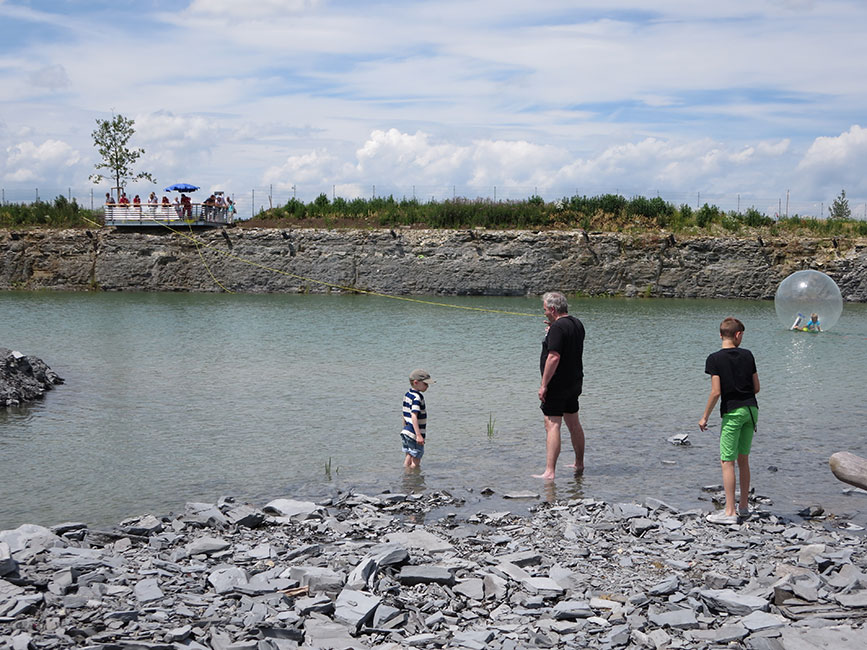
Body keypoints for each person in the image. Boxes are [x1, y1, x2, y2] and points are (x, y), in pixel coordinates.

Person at [698, 317, 760, 525]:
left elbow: (716, 392)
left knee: (727, 461)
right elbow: (756, 388)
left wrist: (705, 416)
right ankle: (743, 507)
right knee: (743, 459)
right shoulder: (748, 355)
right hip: (751, 411)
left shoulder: (714, 359)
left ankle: (729, 512)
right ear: (738, 335)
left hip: (732, 412)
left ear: (720, 335)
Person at [533, 291, 586, 479]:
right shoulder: (576, 323)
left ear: (553, 309)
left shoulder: (557, 328)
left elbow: (554, 357)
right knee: (573, 422)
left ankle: (549, 472)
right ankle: (579, 464)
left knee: (552, 425)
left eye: (545, 310)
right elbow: (566, 343)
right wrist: (552, 332)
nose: (545, 313)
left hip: (558, 383)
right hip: (575, 381)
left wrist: (543, 385)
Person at [401, 369, 433, 470]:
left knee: (409, 455)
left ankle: (406, 476)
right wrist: (418, 435)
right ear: (416, 383)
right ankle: (413, 480)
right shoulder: (417, 397)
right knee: (416, 458)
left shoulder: (407, 395)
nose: (427, 386)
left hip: (406, 431)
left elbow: (404, 414)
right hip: (414, 433)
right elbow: (413, 415)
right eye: (425, 384)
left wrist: (405, 427)